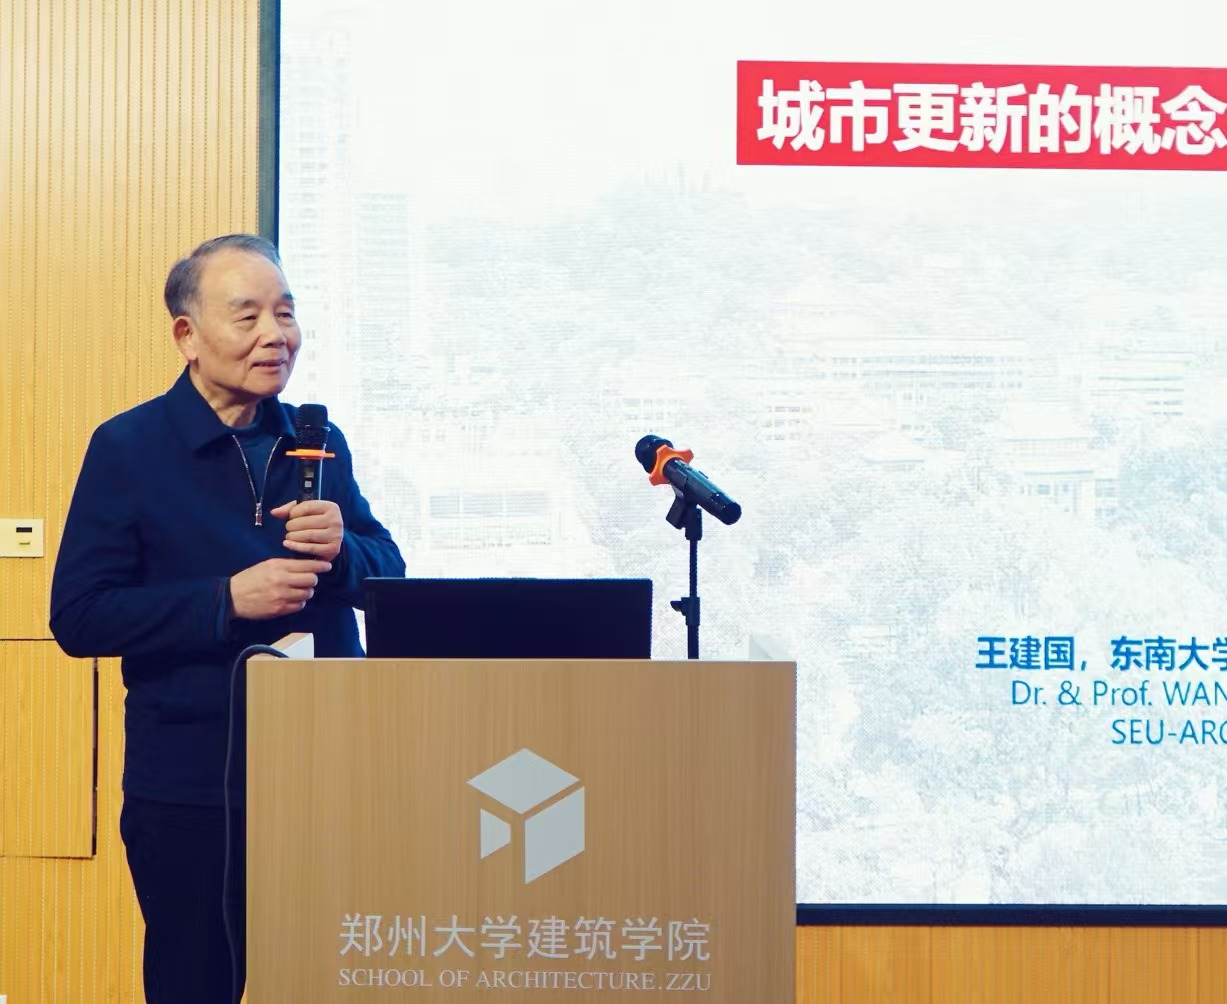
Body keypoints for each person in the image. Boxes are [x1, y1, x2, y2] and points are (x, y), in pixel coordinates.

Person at [49, 233, 406, 1003]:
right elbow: (79, 616)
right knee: (196, 983)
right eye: (248, 317)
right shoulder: (128, 447)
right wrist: (225, 601)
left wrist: (345, 551)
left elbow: (389, 574)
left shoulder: (317, 441)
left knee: (329, 981)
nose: (276, 335)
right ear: (187, 334)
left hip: (326, 768)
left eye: (286, 313)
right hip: (191, 783)